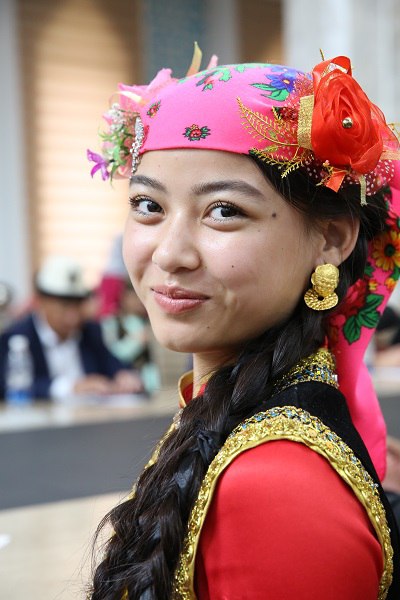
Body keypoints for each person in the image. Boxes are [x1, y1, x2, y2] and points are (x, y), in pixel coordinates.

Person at [86, 48, 400, 598]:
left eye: (224, 211)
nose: (170, 253)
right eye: (148, 205)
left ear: (331, 238)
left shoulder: (275, 488)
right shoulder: (231, 416)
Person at [0, 255, 143, 400]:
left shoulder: (90, 331)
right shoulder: (16, 338)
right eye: (64, 306)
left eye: (78, 306)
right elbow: (8, 384)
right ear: (40, 302)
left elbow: (112, 363)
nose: (73, 316)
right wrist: (70, 387)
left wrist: (123, 375)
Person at [101, 278, 161, 395]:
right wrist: (136, 342)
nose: (138, 301)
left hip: (149, 384)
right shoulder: (112, 322)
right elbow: (111, 353)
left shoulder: (149, 322)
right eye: (134, 296)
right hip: (123, 383)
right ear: (124, 297)